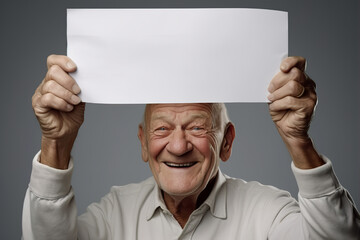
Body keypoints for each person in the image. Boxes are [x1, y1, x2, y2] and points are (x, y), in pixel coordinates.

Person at [22, 55, 360, 239]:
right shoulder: (115, 214)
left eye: (198, 127)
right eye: (163, 128)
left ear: (226, 142)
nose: (179, 145)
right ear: (143, 144)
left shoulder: (267, 211)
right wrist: (56, 142)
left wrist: (299, 140)